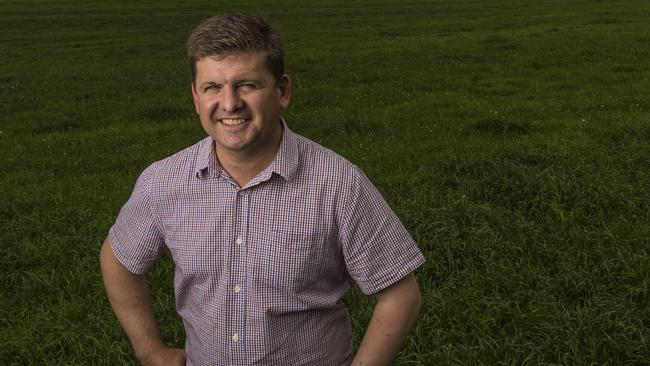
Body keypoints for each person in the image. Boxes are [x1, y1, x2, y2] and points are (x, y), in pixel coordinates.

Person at [100, 13, 425, 366]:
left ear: (282, 90)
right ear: (196, 97)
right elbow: (119, 260)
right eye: (213, 87)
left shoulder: (338, 184)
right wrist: (150, 350)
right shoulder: (162, 182)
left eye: (247, 85)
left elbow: (400, 294)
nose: (229, 103)